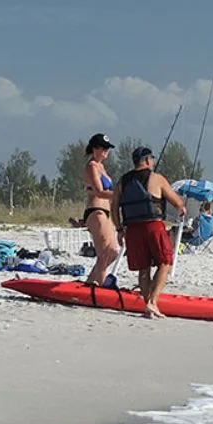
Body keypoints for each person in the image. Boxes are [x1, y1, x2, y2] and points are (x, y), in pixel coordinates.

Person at [110, 147, 186, 319]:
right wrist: (182, 207)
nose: (152, 161)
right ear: (146, 160)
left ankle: (147, 306)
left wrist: (119, 229)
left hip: (133, 228)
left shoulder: (122, 181)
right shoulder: (156, 178)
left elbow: (114, 207)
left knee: (143, 270)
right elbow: (176, 202)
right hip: (153, 225)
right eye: (151, 158)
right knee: (165, 262)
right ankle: (153, 301)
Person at [82, 133, 119, 285]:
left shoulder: (101, 167)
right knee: (104, 252)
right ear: (94, 148)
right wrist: (120, 196)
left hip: (106, 212)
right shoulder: (91, 166)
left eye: (107, 149)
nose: (105, 151)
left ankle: (90, 282)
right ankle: (102, 284)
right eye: (102, 148)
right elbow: (99, 191)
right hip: (96, 210)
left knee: (113, 252)